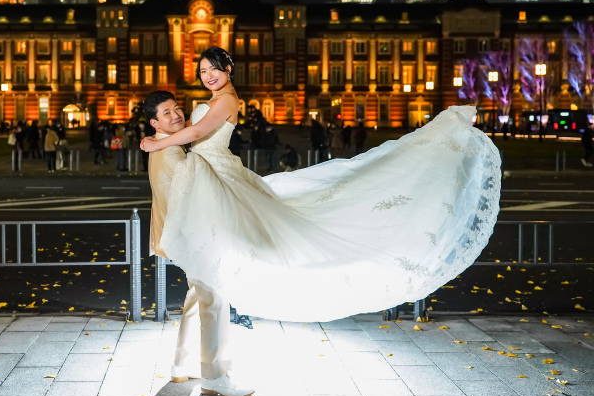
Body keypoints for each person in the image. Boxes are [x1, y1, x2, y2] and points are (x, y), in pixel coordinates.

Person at [140, 46, 501, 324]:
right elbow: (194, 134)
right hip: (210, 173)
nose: (207, 76)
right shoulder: (214, 99)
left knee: (229, 258)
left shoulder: (228, 99)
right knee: (214, 268)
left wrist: (158, 142)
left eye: (213, 69)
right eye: (202, 71)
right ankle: (199, 352)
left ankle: (211, 347)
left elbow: (200, 131)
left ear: (228, 68)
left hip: (216, 174)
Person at [144, 90, 253, 396]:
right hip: (192, 239)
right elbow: (195, 199)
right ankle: (214, 377)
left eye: (176, 108)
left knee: (198, 297)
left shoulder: (164, 149)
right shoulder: (173, 153)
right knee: (213, 300)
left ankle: (183, 363)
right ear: (155, 122)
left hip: (180, 238)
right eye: (167, 113)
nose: (176, 114)